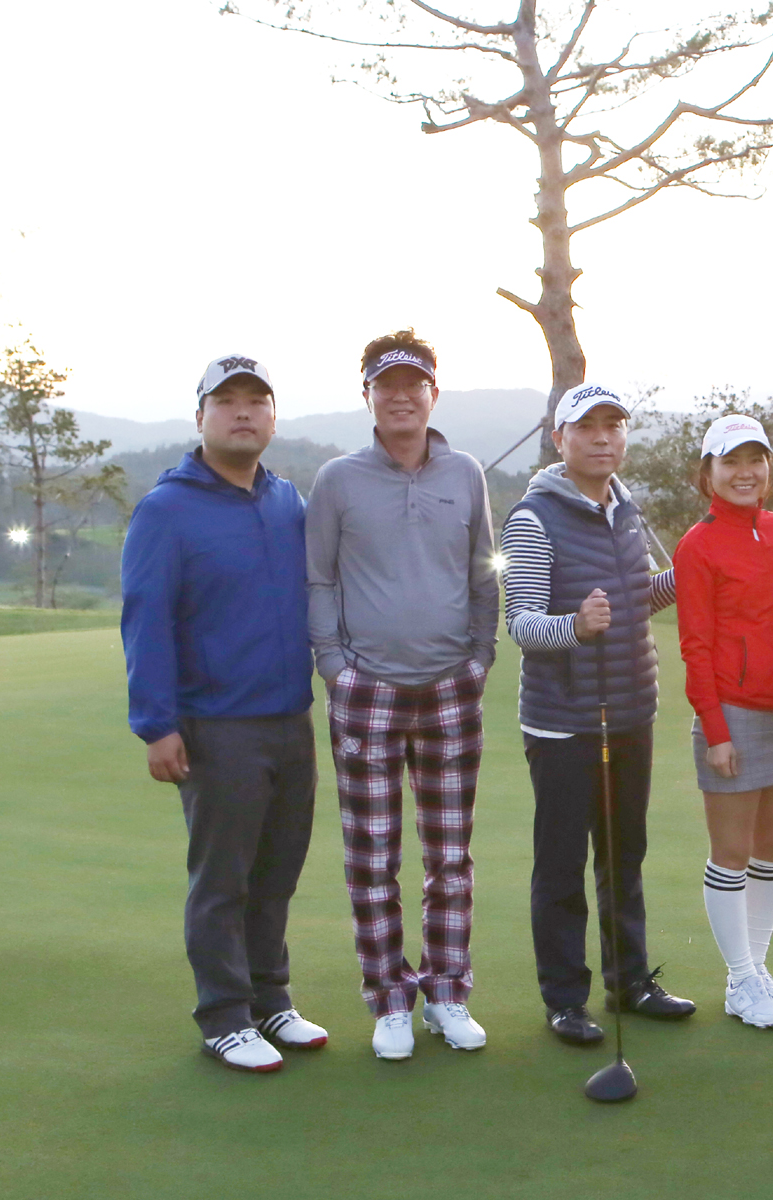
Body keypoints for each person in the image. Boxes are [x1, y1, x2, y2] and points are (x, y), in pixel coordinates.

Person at [120, 354, 326, 1073]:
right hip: (217, 726)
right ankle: (224, 1016)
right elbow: (146, 619)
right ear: (201, 416)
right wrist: (156, 724)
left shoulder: (286, 500)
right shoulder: (166, 510)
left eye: (256, 401)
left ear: (272, 418)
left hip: (291, 720)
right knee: (223, 882)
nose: (243, 412)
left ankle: (271, 1000)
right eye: (227, 400)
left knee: (277, 874)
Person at [305, 330, 499, 1061]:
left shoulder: (465, 473)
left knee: (450, 856)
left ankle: (446, 991)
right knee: (372, 857)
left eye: (413, 384)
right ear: (367, 397)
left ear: (433, 394)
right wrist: (335, 667)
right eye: (386, 385)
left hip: (451, 686)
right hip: (368, 691)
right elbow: (319, 578)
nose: (400, 397)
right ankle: (389, 998)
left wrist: (480, 657)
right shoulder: (338, 480)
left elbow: (483, 570)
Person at [500, 382, 696, 1047]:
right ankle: (564, 1000)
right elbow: (523, 624)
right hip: (562, 722)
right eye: (587, 427)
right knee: (561, 866)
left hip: (631, 712)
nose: (603, 437)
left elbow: (640, 598)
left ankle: (630, 980)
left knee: (623, 856)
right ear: (560, 438)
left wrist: (687, 573)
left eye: (614, 425)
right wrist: (576, 627)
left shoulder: (627, 511)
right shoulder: (533, 518)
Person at [676, 414, 773, 1031]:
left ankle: (757, 968)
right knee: (732, 852)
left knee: (771, 848)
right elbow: (696, 645)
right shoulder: (697, 545)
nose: (744, 472)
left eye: (754, 460)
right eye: (730, 461)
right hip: (732, 712)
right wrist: (715, 730)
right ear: (707, 472)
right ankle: (738, 980)